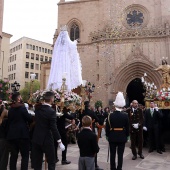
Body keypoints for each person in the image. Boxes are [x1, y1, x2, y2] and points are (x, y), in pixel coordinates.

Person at [32, 91, 65, 170]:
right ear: (51, 99)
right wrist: (59, 141)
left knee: (37, 163)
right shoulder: (51, 112)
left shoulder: (37, 109)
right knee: (51, 162)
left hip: (36, 138)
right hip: (47, 139)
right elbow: (53, 128)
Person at [6, 92, 33, 170]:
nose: (21, 98)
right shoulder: (22, 108)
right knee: (25, 156)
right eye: (20, 97)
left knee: (13, 156)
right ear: (18, 99)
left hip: (12, 135)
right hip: (22, 135)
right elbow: (29, 118)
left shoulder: (10, 109)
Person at [106, 92, 129, 170]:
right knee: (120, 154)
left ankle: (112, 168)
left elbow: (107, 127)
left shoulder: (110, 115)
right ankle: (119, 168)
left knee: (112, 154)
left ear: (115, 106)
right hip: (122, 136)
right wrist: (127, 135)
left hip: (112, 136)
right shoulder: (125, 115)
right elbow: (127, 127)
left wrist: (107, 135)